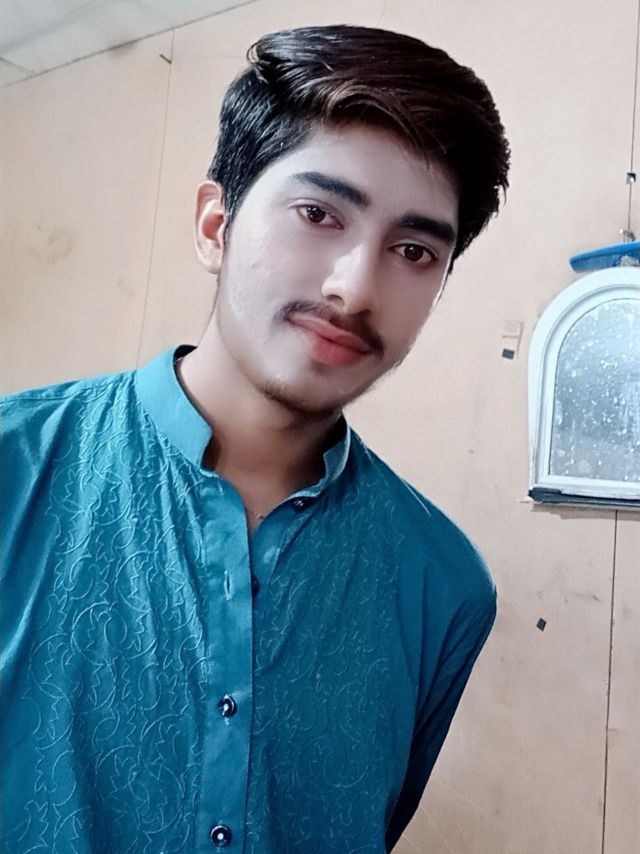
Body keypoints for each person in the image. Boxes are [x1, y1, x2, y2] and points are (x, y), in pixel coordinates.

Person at [0, 24, 509, 854]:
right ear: (216, 225)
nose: (355, 288)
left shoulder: (443, 584)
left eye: (414, 250)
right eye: (318, 213)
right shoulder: (16, 470)